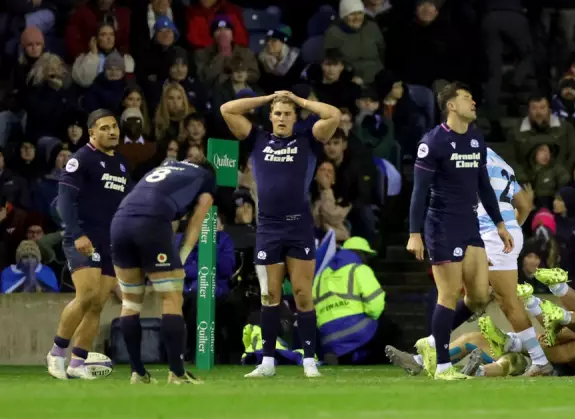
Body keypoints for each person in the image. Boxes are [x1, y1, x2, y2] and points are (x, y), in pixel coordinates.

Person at [220, 90, 341, 378]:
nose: (282, 118)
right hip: (269, 227)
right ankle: (268, 362)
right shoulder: (258, 139)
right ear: (271, 117)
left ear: (295, 117)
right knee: (269, 294)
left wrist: (297, 100)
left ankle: (309, 361)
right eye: (278, 113)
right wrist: (268, 99)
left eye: (288, 114)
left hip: (298, 226)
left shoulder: (307, 139)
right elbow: (227, 109)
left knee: (302, 294)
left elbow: (333, 114)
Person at [407, 82, 512, 380]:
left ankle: (430, 342)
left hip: (470, 225)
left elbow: (483, 185)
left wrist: (500, 225)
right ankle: (442, 367)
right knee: (448, 294)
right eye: (467, 98)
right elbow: (419, 192)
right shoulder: (433, 142)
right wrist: (414, 233)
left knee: (480, 296)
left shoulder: (476, 140)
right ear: (451, 105)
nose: (473, 102)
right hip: (442, 226)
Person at [110, 157, 216, 384]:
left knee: (130, 303)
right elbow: (197, 221)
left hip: (120, 222)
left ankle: (137, 373)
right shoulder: (205, 177)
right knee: (171, 296)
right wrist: (182, 258)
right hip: (151, 222)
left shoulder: (164, 166)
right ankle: (177, 373)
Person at [46, 109, 130, 380]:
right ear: (92, 133)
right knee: (86, 295)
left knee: (98, 303)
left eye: (114, 126)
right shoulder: (80, 160)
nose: (112, 131)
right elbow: (65, 202)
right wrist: (77, 233)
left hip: (110, 241)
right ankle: (57, 353)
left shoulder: (120, 163)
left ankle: (78, 362)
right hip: (84, 237)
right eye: (104, 128)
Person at [469, 147, 552, 376]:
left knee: (507, 300)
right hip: (502, 232)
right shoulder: (501, 161)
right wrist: (513, 228)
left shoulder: (468, 158)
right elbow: (524, 205)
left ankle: (539, 361)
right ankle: (434, 347)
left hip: (492, 234)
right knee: (467, 289)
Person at [312, 236, 386, 364]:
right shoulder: (359, 269)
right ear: (359, 253)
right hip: (357, 331)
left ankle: (349, 357)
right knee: (389, 327)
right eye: (367, 255)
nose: (367, 260)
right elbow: (376, 304)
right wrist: (371, 316)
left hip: (328, 336)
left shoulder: (321, 275)